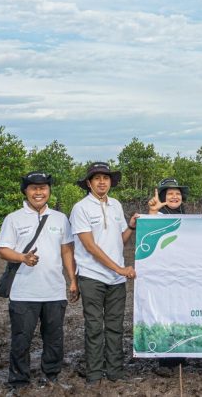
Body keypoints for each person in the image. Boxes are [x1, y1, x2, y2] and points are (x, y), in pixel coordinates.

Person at [0, 171, 78, 390]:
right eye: (34, 188)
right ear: (26, 191)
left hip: (54, 291)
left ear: (49, 191)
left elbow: (67, 251)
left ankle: (51, 376)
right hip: (23, 292)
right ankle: (18, 381)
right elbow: (3, 250)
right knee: (21, 339)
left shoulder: (60, 219)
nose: (39, 192)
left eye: (43, 188)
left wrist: (72, 280)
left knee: (54, 339)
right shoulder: (13, 218)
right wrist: (22, 257)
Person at [70, 162, 138, 384]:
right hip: (92, 276)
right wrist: (119, 268)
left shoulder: (116, 205)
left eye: (106, 178)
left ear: (111, 182)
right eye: (97, 178)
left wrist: (131, 226)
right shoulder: (81, 208)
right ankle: (94, 374)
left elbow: (120, 241)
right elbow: (90, 246)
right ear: (89, 183)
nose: (102, 182)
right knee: (93, 326)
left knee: (116, 326)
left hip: (116, 279)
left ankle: (115, 372)